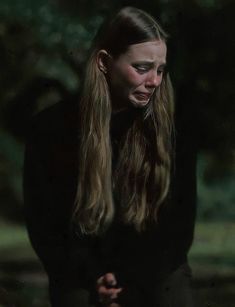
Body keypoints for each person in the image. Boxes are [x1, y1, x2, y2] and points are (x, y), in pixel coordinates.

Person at [23, 6, 197, 307]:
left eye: (160, 69)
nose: (155, 81)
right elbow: (46, 223)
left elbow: (179, 226)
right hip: (81, 268)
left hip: (153, 268)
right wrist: (92, 277)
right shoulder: (51, 128)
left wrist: (129, 283)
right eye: (142, 68)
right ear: (105, 62)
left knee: (172, 285)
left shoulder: (174, 128)